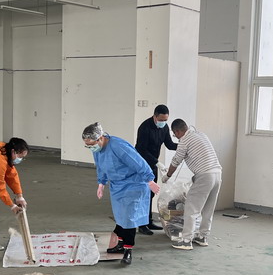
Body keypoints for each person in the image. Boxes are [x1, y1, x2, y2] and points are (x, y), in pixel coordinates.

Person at [83, 122, 160, 265]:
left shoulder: (118, 146)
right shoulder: (97, 149)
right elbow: (101, 166)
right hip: (117, 186)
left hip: (133, 184)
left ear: (100, 138)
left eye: (91, 144)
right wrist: (101, 183)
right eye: (87, 146)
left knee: (129, 219)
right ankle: (120, 244)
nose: (90, 148)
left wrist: (150, 180)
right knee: (120, 218)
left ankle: (128, 250)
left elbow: (138, 162)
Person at [164, 119, 222, 250]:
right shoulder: (201, 135)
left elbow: (176, 161)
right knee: (208, 208)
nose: (176, 137)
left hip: (205, 175)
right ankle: (202, 237)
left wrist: (167, 176)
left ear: (177, 131)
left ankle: (186, 240)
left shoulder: (184, 141)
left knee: (191, 208)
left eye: (174, 134)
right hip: (217, 173)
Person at [135, 104, 177, 235]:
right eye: (161, 120)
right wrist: (157, 162)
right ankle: (141, 225)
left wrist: (184, 146)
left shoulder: (164, 127)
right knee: (144, 193)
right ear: (155, 116)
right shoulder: (145, 127)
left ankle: (148, 221)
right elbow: (140, 149)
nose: (163, 122)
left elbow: (170, 144)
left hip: (153, 165)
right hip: (142, 165)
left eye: (165, 120)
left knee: (151, 193)